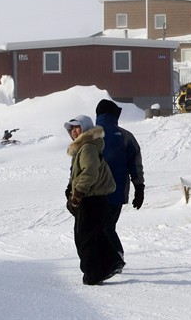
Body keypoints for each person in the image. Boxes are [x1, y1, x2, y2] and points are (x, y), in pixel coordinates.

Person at [64, 115, 124, 286]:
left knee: (85, 239)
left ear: (85, 128)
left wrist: (78, 194)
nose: (74, 131)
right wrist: (71, 189)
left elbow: (90, 172)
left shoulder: (88, 147)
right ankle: (110, 263)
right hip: (93, 199)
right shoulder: (84, 148)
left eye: (77, 127)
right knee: (94, 235)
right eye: (71, 129)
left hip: (91, 199)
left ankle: (94, 274)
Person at [95, 99, 145, 265]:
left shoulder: (89, 135)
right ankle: (110, 257)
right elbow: (135, 164)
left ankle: (115, 258)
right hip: (118, 191)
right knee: (108, 226)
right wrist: (139, 188)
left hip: (93, 191)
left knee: (100, 227)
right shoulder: (125, 136)